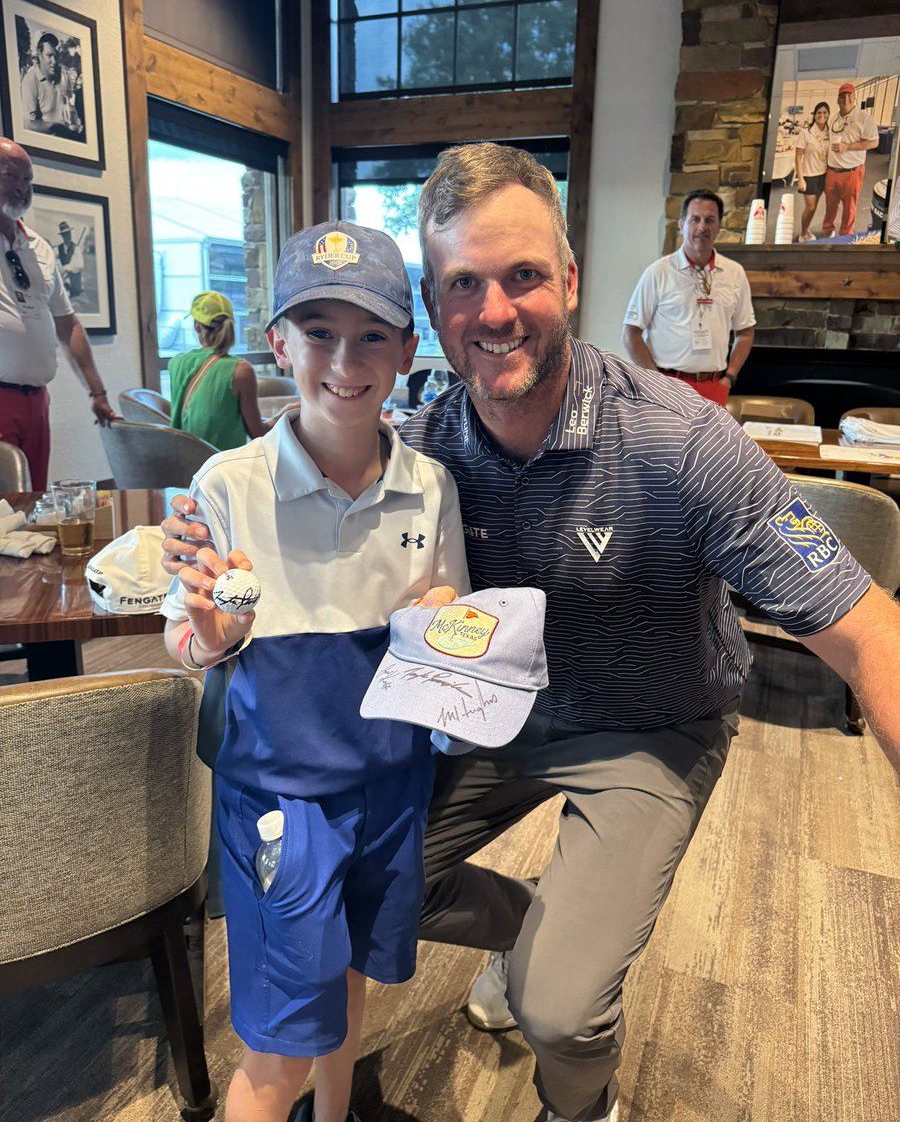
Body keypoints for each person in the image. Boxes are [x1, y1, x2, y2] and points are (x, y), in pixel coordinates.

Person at [162, 144, 900, 1122]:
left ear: (573, 281)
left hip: (649, 719)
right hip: (489, 713)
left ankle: (578, 1102)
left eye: (524, 276)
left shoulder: (685, 441)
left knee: (561, 1013)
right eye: (465, 283)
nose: (496, 311)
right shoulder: (415, 449)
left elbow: (866, 628)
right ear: (430, 305)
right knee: (355, 883)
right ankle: (538, 937)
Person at [161, 220, 470, 1122]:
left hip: (392, 784)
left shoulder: (430, 485)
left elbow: (448, 614)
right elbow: (185, 643)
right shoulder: (228, 485)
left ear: (407, 350)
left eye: (372, 333)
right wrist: (218, 634)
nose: (347, 359)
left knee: (352, 975)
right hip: (282, 801)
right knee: (279, 1046)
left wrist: (444, 618)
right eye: (320, 332)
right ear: (278, 344)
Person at [0, 136, 117, 490]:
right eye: (11, 176)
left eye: (28, 179)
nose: (22, 188)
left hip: (36, 401)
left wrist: (97, 393)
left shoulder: (39, 247)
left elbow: (69, 327)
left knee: (30, 502)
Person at [622, 189, 755, 406]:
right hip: (667, 385)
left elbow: (746, 332)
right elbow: (630, 333)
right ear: (681, 225)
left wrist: (729, 377)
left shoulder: (735, 273)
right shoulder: (658, 272)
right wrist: (655, 380)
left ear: (719, 227)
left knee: (710, 442)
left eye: (710, 220)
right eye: (695, 219)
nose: (702, 227)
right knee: (663, 441)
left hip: (714, 387)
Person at [168, 290, 278, 450]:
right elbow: (258, 434)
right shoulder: (241, 371)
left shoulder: (175, 364)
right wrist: (281, 417)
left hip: (184, 465)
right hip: (224, 469)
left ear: (197, 327)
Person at [821, 83, 879, 238]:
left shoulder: (864, 118)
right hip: (832, 171)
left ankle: (846, 235)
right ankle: (827, 231)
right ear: (838, 99)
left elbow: (874, 142)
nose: (846, 99)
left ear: (854, 98)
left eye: (849, 96)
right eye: (842, 96)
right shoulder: (833, 118)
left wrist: (848, 147)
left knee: (849, 207)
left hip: (852, 172)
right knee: (830, 205)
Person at [20, 33, 83, 137]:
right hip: (50, 140)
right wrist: (55, 127)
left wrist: (77, 121)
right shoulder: (30, 80)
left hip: (71, 136)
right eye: (49, 56)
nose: (54, 61)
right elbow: (28, 124)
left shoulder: (63, 75)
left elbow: (70, 105)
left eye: (55, 56)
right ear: (39, 54)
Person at [794, 101, 830, 241]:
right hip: (809, 176)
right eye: (819, 112)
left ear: (828, 114)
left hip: (823, 175)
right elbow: (798, 157)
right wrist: (800, 178)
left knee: (814, 208)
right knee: (810, 207)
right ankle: (802, 234)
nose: (822, 115)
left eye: (825, 112)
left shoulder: (829, 132)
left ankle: (807, 229)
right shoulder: (806, 132)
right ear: (814, 115)